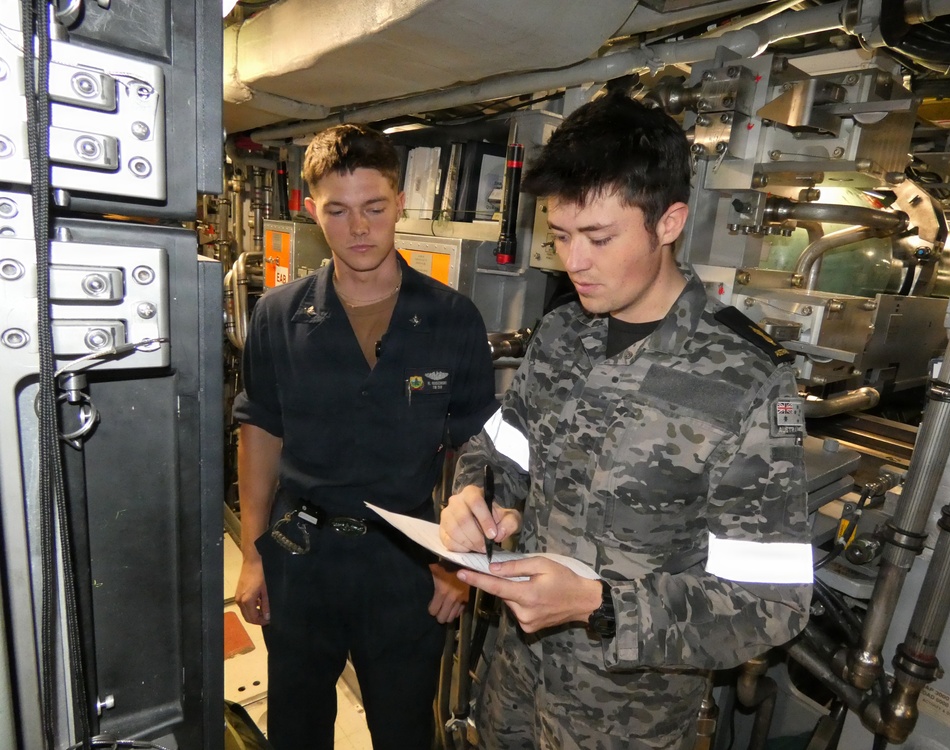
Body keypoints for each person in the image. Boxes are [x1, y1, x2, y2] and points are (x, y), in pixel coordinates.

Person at [439, 93, 813, 749]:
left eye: (599, 238)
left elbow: (769, 605)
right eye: (560, 235)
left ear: (668, 222)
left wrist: (599, 604)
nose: (574, 261)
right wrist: (475, 495)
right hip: (513, 686)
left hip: (622, 719)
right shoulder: (561, 334)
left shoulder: (748, 378)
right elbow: (502, 450)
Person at [233, 123, 497, 750]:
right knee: (296, 727)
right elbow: (261, 433)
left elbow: (475, 452)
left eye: (374, 208)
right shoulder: (279, 315)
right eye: (339, 211)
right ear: (311, 210)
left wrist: (457, 567)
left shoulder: (451, 318)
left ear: (400, 202)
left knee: (404, 728)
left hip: (407, 560)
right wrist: (251, 555)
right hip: (299, 556)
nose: (359, 229)